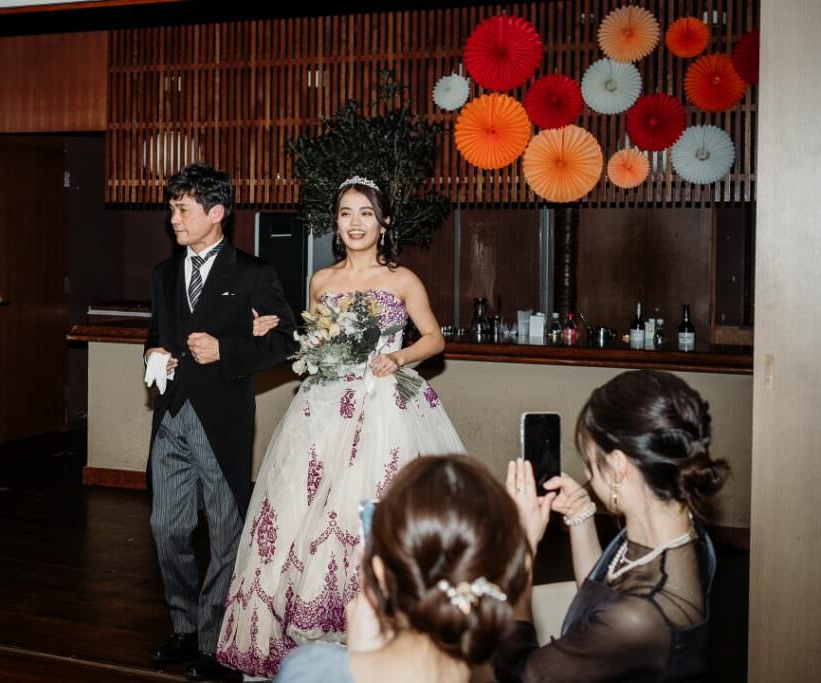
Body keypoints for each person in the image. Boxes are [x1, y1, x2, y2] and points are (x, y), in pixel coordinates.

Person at [216, 176, 467, 678]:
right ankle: (302, 641)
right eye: (346, 213)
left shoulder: (402, 280)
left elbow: (435, 338)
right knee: (296, 515)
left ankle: (381, 637)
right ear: (336, 222)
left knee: (369, 512)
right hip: (322, 409)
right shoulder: (321, 281)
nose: (355, 223)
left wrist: (398, 356)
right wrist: (281, 334)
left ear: (384, 222)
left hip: (384, 411)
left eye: (366, 214)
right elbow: (311, 340)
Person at [144, 163, 297, 682]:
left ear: (216, 213)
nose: (173, 218)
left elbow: (285, 341)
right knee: (167, 529)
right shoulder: (163, 275)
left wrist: (226, 350)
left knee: (228, 535)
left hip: (222, 422)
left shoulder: (254, 274)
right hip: (170, 417)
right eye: (171, 207)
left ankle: (213, 641)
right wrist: (156, 355)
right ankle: (184, 625)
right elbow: (156, 334)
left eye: (182, 208)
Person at [499, 369, 730, 682]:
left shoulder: (638, 620)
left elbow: (520, 673)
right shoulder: (679, 533)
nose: (587, 472)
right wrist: (581, 516)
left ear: (619, 466)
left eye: (590, 460)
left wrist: (521, 549)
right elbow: (602, 595)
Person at [274, 455, 530, 683]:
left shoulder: (306, 672)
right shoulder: (539, 672)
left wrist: (358, 659)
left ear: (380, 575)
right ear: (512, 578)